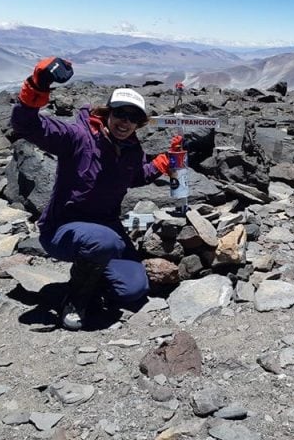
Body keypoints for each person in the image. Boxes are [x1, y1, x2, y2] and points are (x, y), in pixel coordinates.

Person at [11, 57, 174, 330]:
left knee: (132, 290)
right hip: (62, 229)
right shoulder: (78, 136)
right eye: (120, 113)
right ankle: (74, 301)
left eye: (133, 118)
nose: (125, 122)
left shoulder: (132, 149)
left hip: (106, 229)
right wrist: (37, 84)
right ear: (108, 112)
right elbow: (28, 126)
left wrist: (161, 164)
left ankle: (91, 272)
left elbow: (135, 177)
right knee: (103, 241)